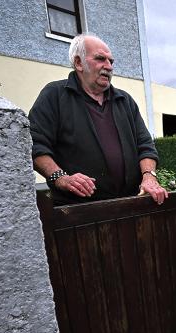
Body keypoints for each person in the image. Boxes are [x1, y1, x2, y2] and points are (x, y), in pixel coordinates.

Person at [29, 33, 167, 205]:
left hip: (131, 206)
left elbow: (146, 146)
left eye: (111, 61)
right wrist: (61, 178)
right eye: (101, 59)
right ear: (79, 63)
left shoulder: (125, 101)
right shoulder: (54, 95)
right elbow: (34, 144)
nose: (108, 66)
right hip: (78, 213)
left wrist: (149, 177)